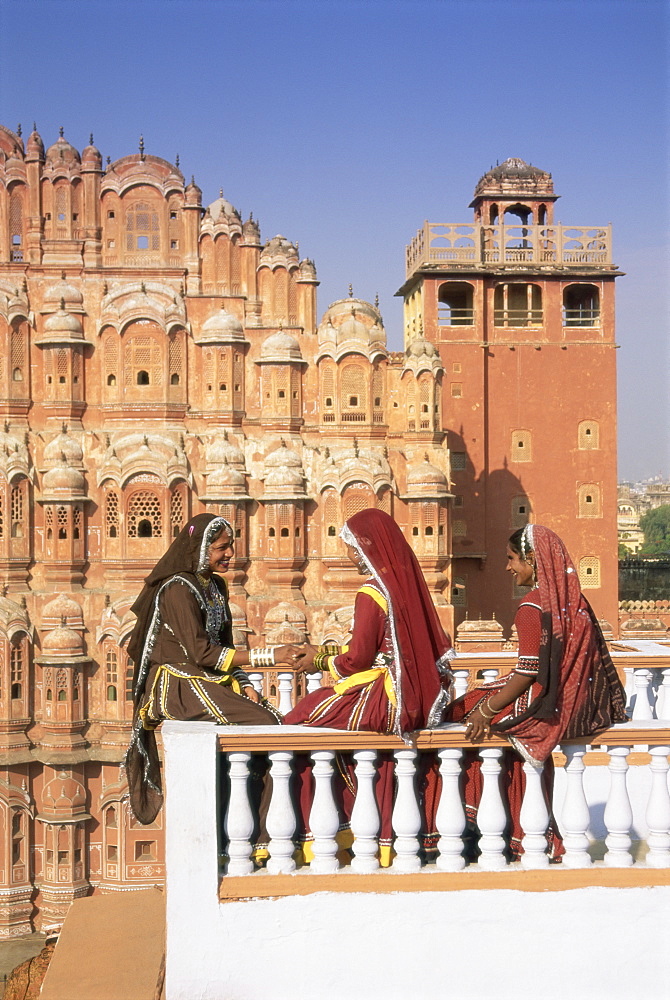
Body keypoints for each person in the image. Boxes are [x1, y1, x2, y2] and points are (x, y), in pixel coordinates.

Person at [443, 523, 628, 859]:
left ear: (532, 560)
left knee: (456, 716)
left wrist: (486, 708)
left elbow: (527, 672)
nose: (508, 567)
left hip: (536, 703)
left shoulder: (531, 606)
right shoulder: (575, 602)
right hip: (567, 702)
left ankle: (485, 829)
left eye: (513, 559)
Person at [285, 507, 454, 863]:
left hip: (390, 696)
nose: (348, 554)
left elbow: (357, 660)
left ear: (365, 545)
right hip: (417, 692)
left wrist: (318, 660)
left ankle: (316, 832)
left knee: (301, 715)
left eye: (350, 545)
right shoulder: (403, 586)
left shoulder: (372, 592)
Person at [124, 513, 295, 825]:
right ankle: (259, 830)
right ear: (200, 550)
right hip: (175, 684)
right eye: (221, 548)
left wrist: (243, 683)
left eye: (230, 546)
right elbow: (202, 653)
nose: (230, 554)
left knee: (273, 719)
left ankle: (258, 826)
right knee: (266, 722)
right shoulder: (177, 589)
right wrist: (273, 655)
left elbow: (223, 642)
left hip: (205, 676)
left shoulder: (215, 586)